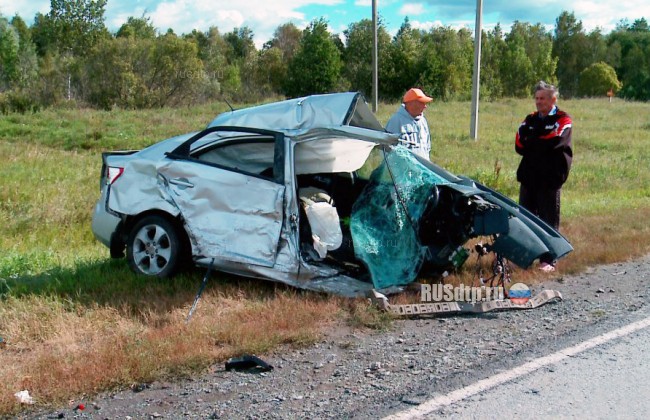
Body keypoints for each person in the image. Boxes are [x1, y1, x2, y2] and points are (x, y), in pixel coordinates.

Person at [515, 81, 573, 272]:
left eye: (542, 99)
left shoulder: (563, 119)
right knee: (526, 219)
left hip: (550, 179)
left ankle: (549, 259)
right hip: (529, 177)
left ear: (553, 99)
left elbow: (555, 141)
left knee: (548, 220)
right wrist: (538, 140)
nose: (538, 102)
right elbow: (519, 143)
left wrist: (534, 141)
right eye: (537, 98)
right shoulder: (530, 119)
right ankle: (527, 257)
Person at [385, 88, 433, 160]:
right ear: (411, 103)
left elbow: (427, 147)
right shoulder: (396, 121)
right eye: (421, 102)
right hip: (403, 170)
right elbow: (387, 150)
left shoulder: (423, 121)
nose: (425, 106)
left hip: (422, 169)